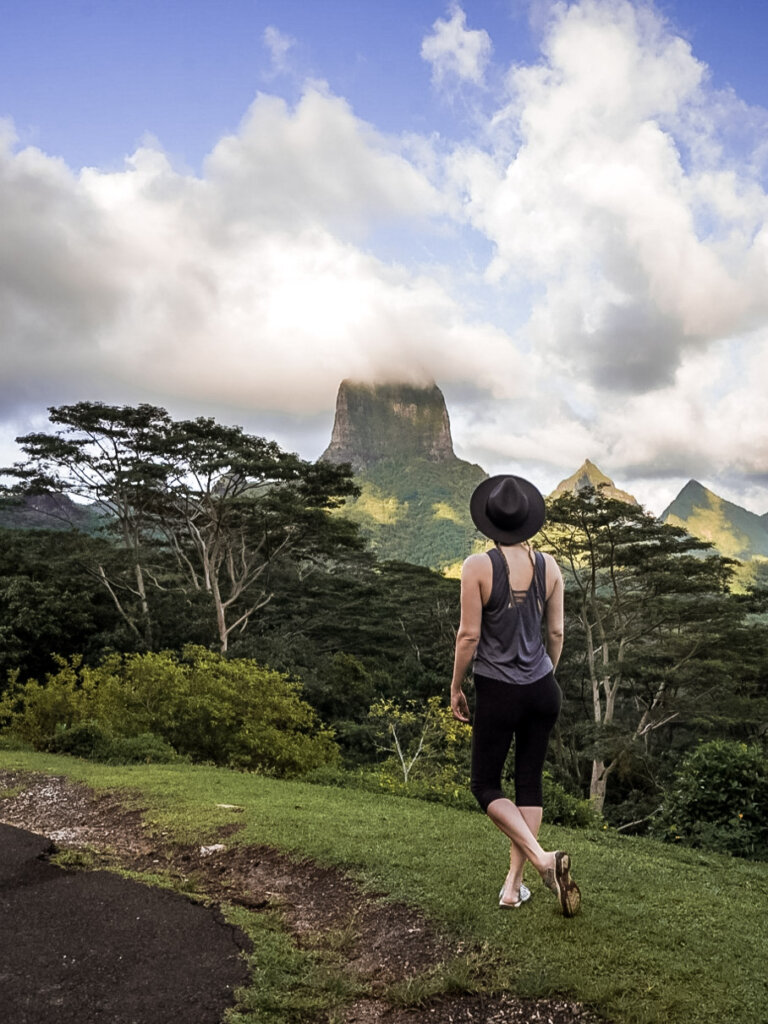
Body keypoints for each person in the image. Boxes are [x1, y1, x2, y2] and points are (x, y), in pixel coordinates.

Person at [450, 474, 581, 917]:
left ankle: (542, 860)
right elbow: (557, 633)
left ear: (489, 522)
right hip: (543, 688)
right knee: (529, 782)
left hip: (498, 690)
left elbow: (469, 636)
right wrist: (544, 677)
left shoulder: (477, 566)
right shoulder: (551, 567)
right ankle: (513, 886)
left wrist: (455, 686)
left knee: (485, 785)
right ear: (529, 522)